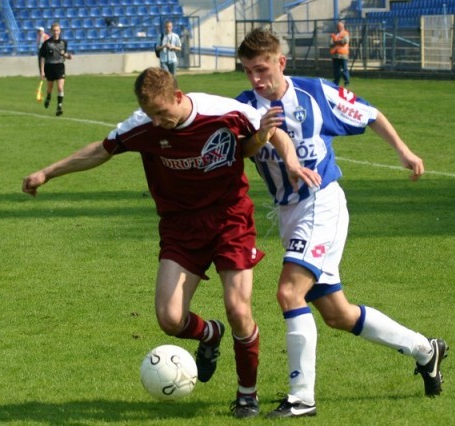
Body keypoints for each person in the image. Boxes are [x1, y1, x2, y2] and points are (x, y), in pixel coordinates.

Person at [22, 67, 320, 418]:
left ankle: (246, 394)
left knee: (239, 310)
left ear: (178, 97)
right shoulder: (143, 125)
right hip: (180, 227)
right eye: (150, 114)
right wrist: (47, 172)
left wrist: (291, 162)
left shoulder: (223, 111)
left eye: (162, 113)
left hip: (230, 219)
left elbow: (273, 133)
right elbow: (100, 151)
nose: (157, 122)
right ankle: (210, 335)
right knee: (170, 318)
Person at [236, 28, 448, 418]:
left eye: (261, 69)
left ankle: (301, 398)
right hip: (288, 213)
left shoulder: (314, 93)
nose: (255, 79)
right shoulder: (246, 105)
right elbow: (242, 149)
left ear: (281, 62)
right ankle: (425, 350)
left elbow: (370, 114)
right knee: (338, 314)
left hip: (321, 203)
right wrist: (261, 133)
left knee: (289, 293)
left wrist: (403, 151)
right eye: (248, 71)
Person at [39, 22, 72, 117]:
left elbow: (66, 55)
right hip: (49, 66)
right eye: (54, 30)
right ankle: (48, 97)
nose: (56, 32)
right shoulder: (47, 43)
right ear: (51, 31)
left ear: (60, 31)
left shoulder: (63, 43)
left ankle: (59, 106)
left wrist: (67, 55)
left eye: (57, 30)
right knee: (50, 88)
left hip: (60, 66)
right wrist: (42, 71)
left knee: (60, 87)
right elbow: (43, 57)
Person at [329, 21, 350, 87]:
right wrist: (338, 42)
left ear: (343, 26)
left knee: (344, 69)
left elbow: (345, 41)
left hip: (343, 55)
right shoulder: (334, 34)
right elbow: (330, 43)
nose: (338, 27)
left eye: (340, 26)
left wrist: (336, 41)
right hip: (335, 55)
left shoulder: (345, 33)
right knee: (336, 70)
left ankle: (346, 81)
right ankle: (336, 82)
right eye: (338, 26)